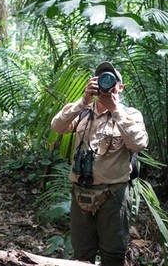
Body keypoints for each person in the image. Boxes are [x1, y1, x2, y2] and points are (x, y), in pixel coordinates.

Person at [50, 62, 149, 265]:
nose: (105, 84)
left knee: (113, 255)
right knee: (81, 254)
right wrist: (83, 100)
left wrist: (115, 110)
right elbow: (57, 126)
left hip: (113, 196)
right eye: (100, 79)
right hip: (80, 194)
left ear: (120, 87)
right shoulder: (83, 112)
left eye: (111, 80)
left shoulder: (130, 115)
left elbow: (139, 143)